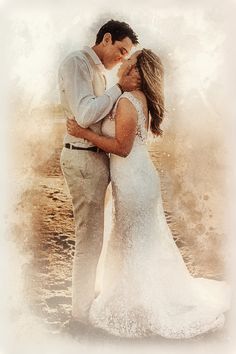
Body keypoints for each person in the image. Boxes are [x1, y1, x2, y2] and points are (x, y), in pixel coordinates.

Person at [66, 49, 231, 338]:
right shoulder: (125, 97)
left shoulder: (129, 102)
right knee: (134, 241)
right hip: (133, 179)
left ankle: (147, 302)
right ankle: (136, 296)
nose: (124, 61)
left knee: (135, 242)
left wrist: (84, 134)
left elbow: (122, 148)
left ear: (137, 73)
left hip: (135, 182)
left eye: (129, 60)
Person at [58, 19, 140, 328]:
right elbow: (86, 114)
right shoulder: (77, 63)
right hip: (82, 159)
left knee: (95, 238)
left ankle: (86, 304)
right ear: (106, 39)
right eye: (120, 50)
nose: (121, 59)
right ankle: (80, 315)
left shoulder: (95, 71)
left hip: (94, 159)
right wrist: (118, 88)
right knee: (89, 241)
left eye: (126, 55)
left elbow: (96, 115)